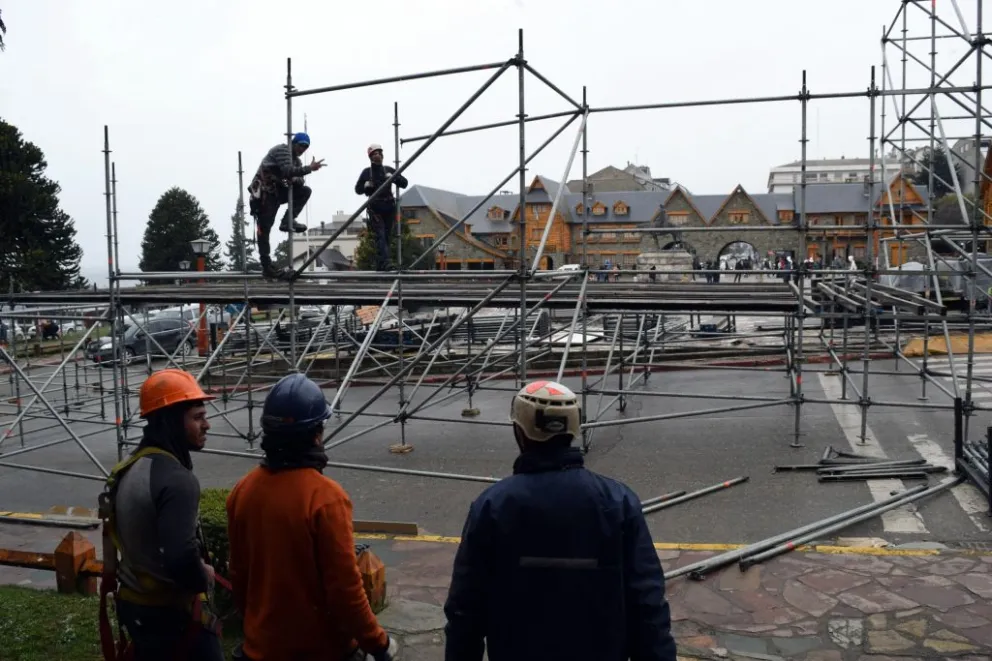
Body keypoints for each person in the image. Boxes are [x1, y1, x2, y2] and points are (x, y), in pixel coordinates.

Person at [443, 380, 678, 661]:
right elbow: (647, 604)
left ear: (520, 431)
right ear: (574, 428)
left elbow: (465, 610)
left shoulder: (493, 506)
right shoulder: (617, 501)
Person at [225, 373, 397, 661]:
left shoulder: (243, 491)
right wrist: (378, 643)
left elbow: (239, 577)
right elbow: (345, 590)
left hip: (260, 648)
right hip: (322, 650)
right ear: (316, 434)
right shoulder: (325, 498)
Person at [98, 368, 224, 661]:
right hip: (170, 616)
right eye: (197, 417)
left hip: (137, 608)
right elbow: (179, 555)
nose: (207, 425)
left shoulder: (132, 466)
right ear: (171, 422)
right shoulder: (177, 480)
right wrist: (202, 577)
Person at [248, 132, 325, 278]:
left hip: (277, 193)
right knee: (264, 229)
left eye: (305, 147)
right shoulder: (281, 150)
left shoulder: (296, 161)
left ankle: (288, 220)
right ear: (294, 143)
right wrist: (309, 169)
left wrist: (295, 180)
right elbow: (287, 170)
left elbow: (300, 180)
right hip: (266, 192)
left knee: (304, 191)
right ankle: (266, 265)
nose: (303, 149)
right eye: (301, 145)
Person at [355, 144, 408, 271]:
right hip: (375, 208)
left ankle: (381, 263)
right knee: (381, 235)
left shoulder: (388, 169)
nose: (377, 155)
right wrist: (366, 186)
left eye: (379, 153)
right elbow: (358, 189)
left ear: (382, 155)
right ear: (370, 157)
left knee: (387, 236)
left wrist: (394, 178)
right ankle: (385, 262)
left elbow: (404, 183)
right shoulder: (367, 172)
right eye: (374, 154)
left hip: (388, 207)